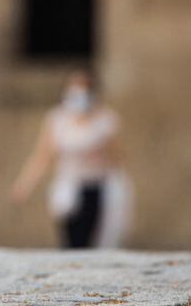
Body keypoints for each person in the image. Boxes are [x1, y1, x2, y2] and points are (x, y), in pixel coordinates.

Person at [11, 69, 133, 248]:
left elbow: (119, 157)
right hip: (67, 188)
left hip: (95, 188)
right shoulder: (56, 119)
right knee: (70, 241)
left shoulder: (105, 120)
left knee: (90, 241)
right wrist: (24, 185)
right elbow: (43, 156)